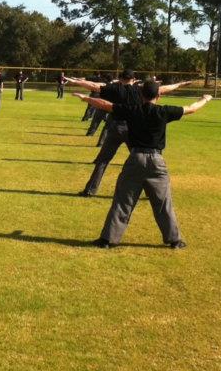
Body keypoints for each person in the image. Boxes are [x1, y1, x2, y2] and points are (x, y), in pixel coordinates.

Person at [74, 81, 213, 248]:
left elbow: (106, 104)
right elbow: (191, 108)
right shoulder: (163, 111)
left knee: (123, 200)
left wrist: (85, 98)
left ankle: (108, 240)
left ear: (141, 95)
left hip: (135, 158)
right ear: (158, 95)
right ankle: (174, 240)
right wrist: (205, 99)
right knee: (163, 203)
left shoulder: (133, 110)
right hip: (157, 161)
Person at [66, 71, 191, 197]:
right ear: (134, 79)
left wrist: (76, 83)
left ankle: (90, 190)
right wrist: (181, 84)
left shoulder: (115, 89)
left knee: (103, 161)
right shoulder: (140, 90)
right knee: (144, 157)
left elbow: (94, 86)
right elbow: (164, 88)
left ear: (120, 78)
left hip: (116, 128)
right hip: (133, 129)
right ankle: (152, 192)